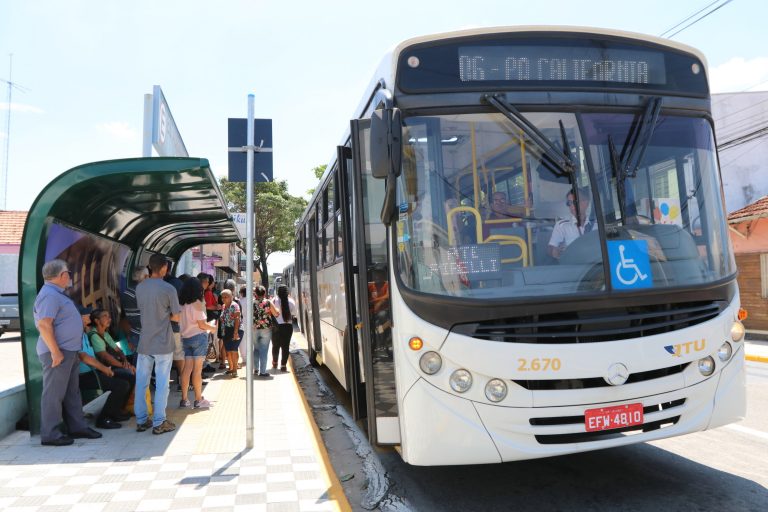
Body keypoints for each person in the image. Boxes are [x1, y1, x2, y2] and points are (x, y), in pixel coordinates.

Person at [34, 259, 102, 445]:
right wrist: (55, 352)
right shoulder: (49, 295)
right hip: (58, 353)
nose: (69, 277)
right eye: (68, 273)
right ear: (61, 275)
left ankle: (77, 427)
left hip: (68, 351)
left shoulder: (56, 294)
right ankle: (50, 434)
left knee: (72, 392)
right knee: (53, 395)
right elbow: (44, 324)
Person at [134, 253, 181, 435]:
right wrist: (165, 315)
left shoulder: (140, 288)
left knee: (141, 382)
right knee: (162, 383)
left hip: (144, 341)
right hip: (162, 342)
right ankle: (159, 421)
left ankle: (141, 419)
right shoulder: (169, 289)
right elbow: (176, 316)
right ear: (163, 268)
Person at [77, 305, 130, 429]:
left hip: (94, 372)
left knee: (127, 380)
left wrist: (124, 362)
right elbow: (85, 357)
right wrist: (104, 369)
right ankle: (103, 419)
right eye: (85, 316)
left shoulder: (85, 333)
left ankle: (115, 412)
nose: (88, 319)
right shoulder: (78, 335)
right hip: (84, 376)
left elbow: (117, 350)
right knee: (121, 385)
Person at [178, 277, 217, 408]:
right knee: (197, 370)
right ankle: (198, 399)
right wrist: (212, 328)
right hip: (198, 338)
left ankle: (184, 399)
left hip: (186, 339)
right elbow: (201, 325)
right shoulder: (197, 303)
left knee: (186, 369)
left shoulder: (181, 304)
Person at [88, 308, 136, 408]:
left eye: (109, 316)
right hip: (102, 370)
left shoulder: (105, 334)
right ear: (96, 320)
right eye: (105, 316)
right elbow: (105, 357)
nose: (109, 319)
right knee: (129, 376)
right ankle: (118, 408)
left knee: (132, 374)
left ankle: (122, 407)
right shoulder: (94, 335)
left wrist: (125, 360)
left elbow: (118, 350)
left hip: (112, 365)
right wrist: (124, 366)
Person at [548, 188, 594, 260]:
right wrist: (556, 251)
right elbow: (551, 249)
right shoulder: (562, 225)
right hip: (572, 266)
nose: (572, 206)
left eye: (575, 202)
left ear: (586, 203)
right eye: (569, 203)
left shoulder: (596, 224)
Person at [119, 266, 148, 362]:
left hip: (133, 333)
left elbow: (125, 316)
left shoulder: (127, 292)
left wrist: (128, 337)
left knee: (139, 363)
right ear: (146, 277)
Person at [252, 285, 278, 377]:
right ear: (264, 293)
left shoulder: (252, 303)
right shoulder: (268, 302)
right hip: (266, 329)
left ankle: (256, 369)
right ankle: (262, 372)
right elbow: (276, 314)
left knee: (256, 349)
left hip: (254, 328)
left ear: (255, 293)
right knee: (264, 350)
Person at [272, 285, 297, 372]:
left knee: (275, 346)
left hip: (276, 326)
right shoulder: (291, 301)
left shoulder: (274, 300)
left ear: (278, 292)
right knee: (285, 347)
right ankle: (283, 365)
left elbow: (270, 312)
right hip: (288, 326)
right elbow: (294, 313)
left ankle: (275, 362)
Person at [219, 289, 241, 376]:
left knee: (233, 350)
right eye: (222, 297)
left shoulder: (234, 306)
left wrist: (235, 332)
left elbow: (237, 319)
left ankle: (235, 370)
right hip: (226, 330)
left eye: (226, 297)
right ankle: (231, 368)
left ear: (231, 297)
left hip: (235, 329)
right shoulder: (224, 306)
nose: (224, 299)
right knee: (228, 350)